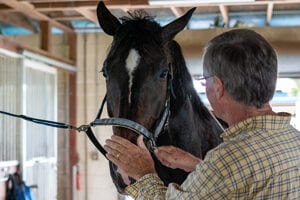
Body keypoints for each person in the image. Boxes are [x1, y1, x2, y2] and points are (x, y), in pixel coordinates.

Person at [104, 29, 300, 199]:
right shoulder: (294, 140)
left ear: (218, 87)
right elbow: (242, 182)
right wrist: (199, 166)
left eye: (205, 81)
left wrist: (143, 173)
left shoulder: (228, 159)